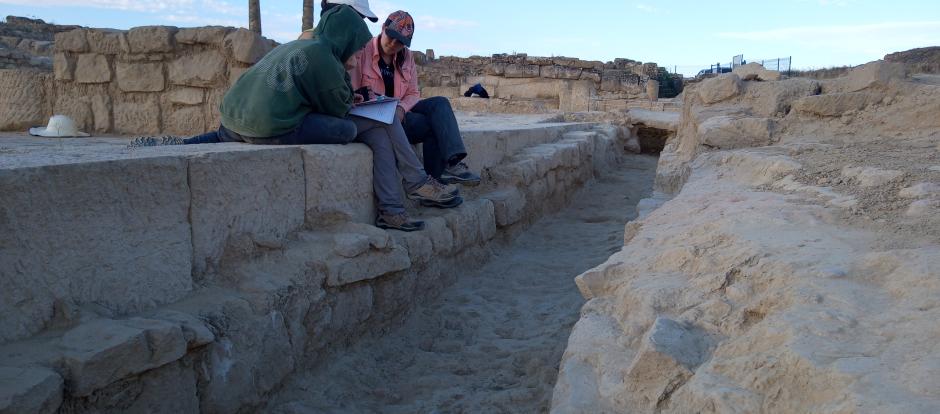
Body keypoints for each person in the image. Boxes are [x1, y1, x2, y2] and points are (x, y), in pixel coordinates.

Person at [171, 5, 459, 231]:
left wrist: (350, 96)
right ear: (345, 39)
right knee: (358, 127)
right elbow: (336, 109)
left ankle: (392, 210)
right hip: (274, 127)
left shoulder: (301, 46)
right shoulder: (325, 58)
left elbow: (327, 97)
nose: (360, 53)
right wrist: (353, 98)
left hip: (233, 122)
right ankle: (415, 184)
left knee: (378, 130)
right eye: (358, 47)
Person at [348, 10, 482, 186]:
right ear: (383, 28)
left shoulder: (406, 56)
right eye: (392, 36)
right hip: (379, 116)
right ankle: (433, 180)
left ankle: (452, 163)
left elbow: (413, 92)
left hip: (400, 110)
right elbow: (353, 91)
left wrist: (402, 109)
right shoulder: (363, 50)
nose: (394, 44)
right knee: (431, 125)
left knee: (440, 103)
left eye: (401, 42)